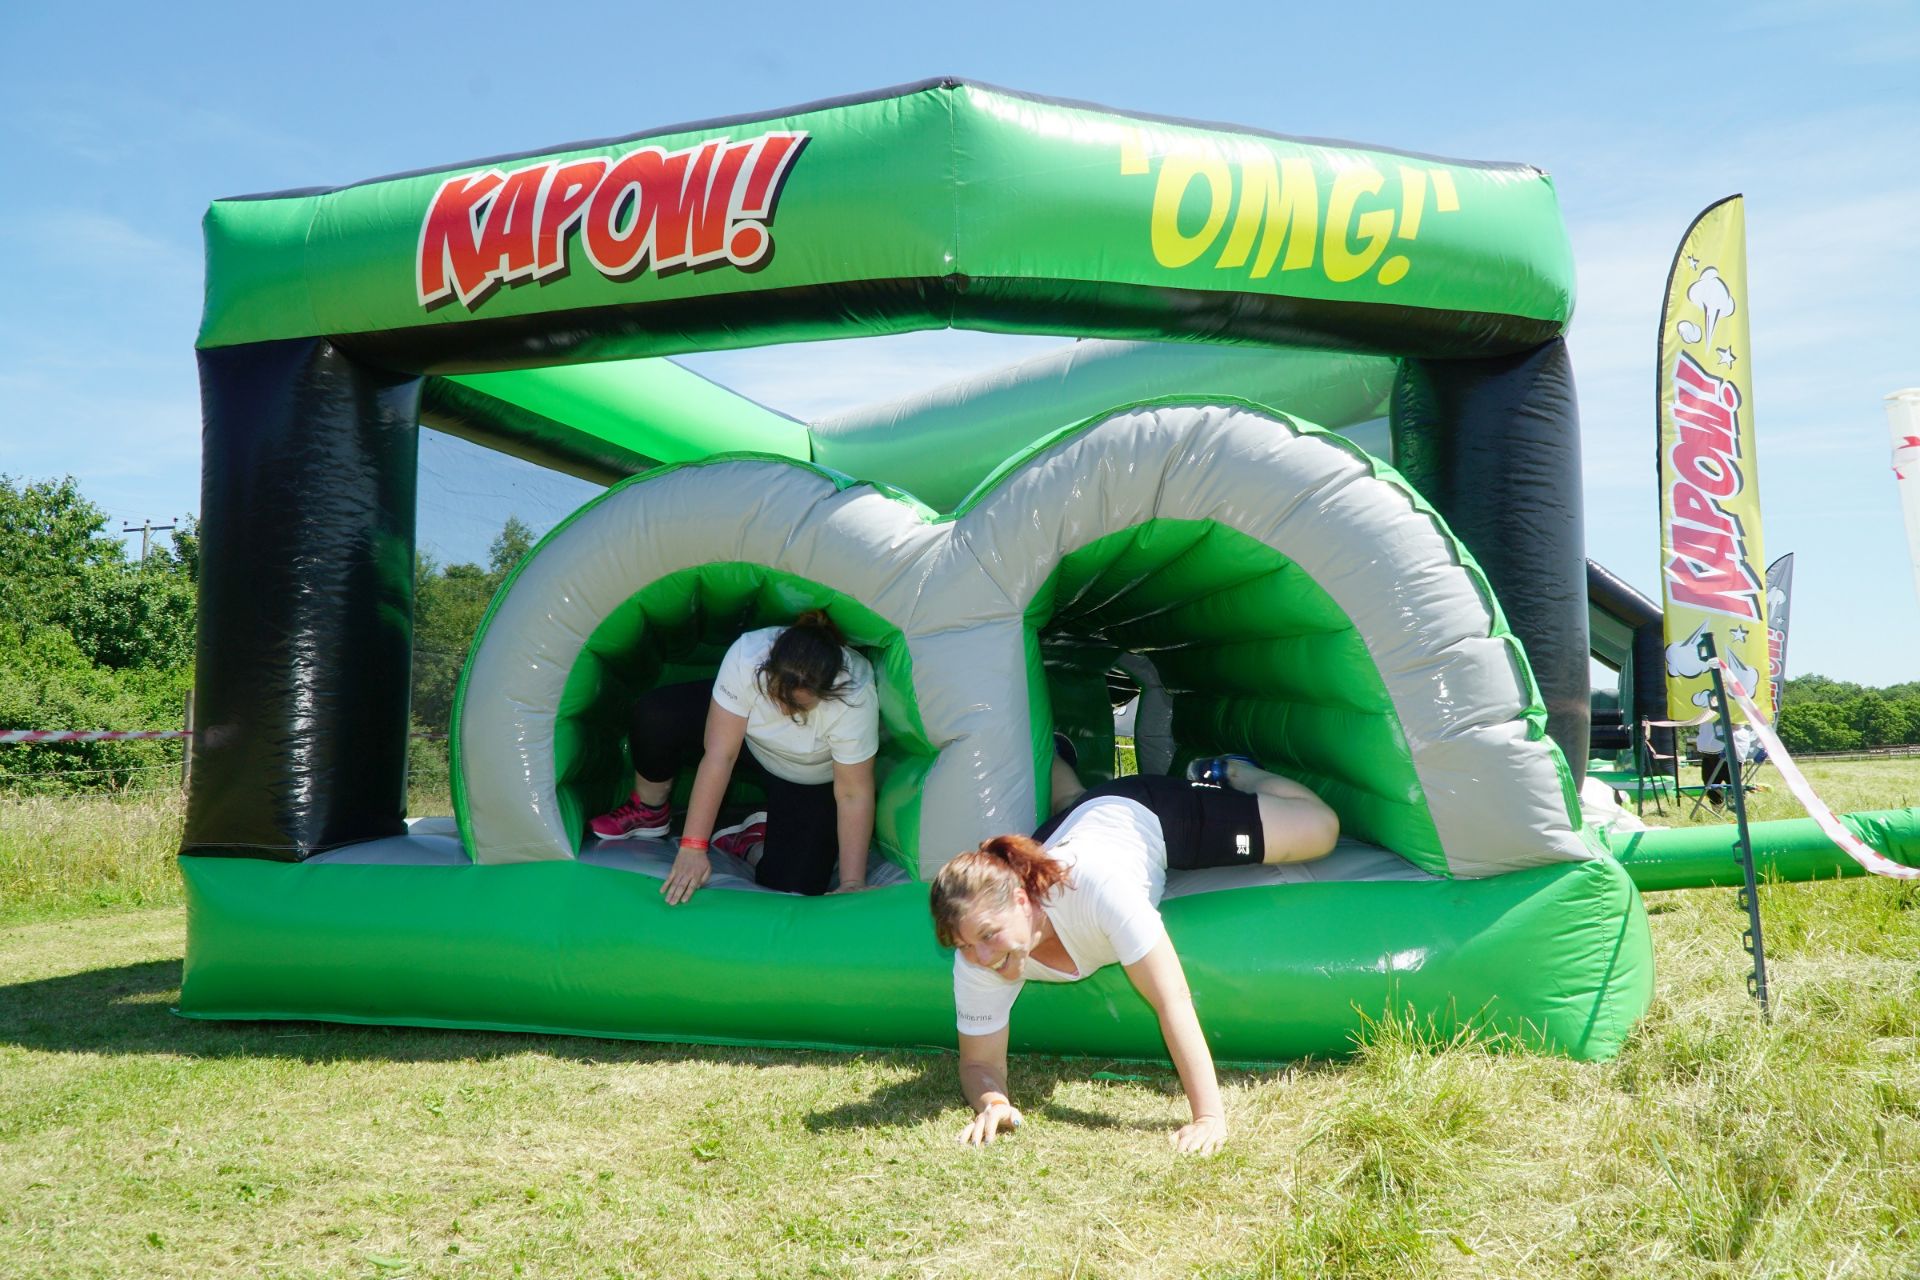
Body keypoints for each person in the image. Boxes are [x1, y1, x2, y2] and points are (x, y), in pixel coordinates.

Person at [928, 757, 1340, 1155]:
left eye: (987, 935)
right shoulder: (977, 954)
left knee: (1321, 829)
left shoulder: (1098, 891)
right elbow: (978, 1063)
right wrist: (994, 1103)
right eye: (963, 945)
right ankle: (1059, 761)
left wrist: (1209, 1117)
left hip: (1147, 813)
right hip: (1074, 827)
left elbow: (1172, 1000)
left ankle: (1232, 770)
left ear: (1022, 900)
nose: (980, 955)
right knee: (1073, 807)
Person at [588, 611, 878, 903]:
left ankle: (753, 840)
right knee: (656, 714)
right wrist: (692, 847)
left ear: (826, 691)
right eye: (779, 697)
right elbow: (719, 756)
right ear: (768, 668)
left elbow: (853, 793)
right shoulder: (749, 655)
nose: (786, 712)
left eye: (798, 705)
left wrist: (853, 881)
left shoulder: (853, 696)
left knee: (793, 889)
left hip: (806, 776)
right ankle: (650, 810)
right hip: (747, 742)